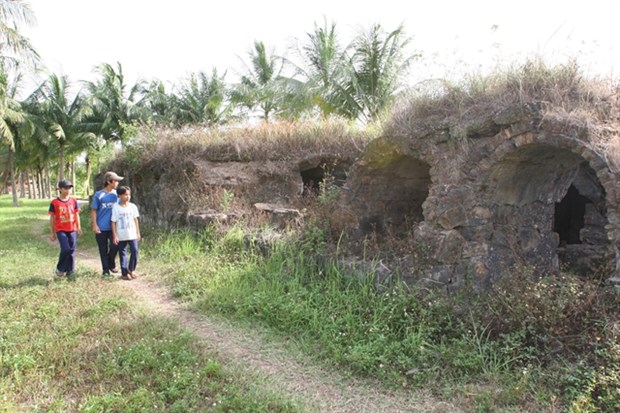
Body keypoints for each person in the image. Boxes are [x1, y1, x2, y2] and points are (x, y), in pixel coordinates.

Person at [91, 171, 123, 276]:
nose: (118, 182)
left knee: (115, 246)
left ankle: (111, 263)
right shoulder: (99, 195)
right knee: (103, 249)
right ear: (109, 182)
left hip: (114, 227)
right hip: (101, 227)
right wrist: (95, 225)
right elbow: (94, 210)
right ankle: (105, 271)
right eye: (116, 180)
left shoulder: (116, 195)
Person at [49, 179, 82, 276]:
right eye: (66, 188)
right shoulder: (55, 202)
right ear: (60, 189)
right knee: (65, 249)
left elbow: (76, 214)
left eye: (70, 188)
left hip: (72, 228)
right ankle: (60, 268)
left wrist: (78, 227)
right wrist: (52, 232)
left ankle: (70, 270)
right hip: (60, 229)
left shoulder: (73, 201)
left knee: (72, 249)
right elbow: (52, 218)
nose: (68, 190)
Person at [111, 186, 141, 280]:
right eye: (125, 194)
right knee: (122, 253)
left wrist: (138, 232)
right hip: (121, 235)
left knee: (135, 251)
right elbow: (113, 222)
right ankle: (124, 273)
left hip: (132, 234)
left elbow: (135, 219)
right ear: (119, 196)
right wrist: (115, 235)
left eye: (129, 194)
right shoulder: (116, 207)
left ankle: (131, 269)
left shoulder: (132, 207)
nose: (127, 197)